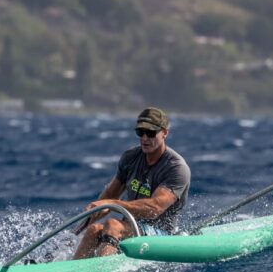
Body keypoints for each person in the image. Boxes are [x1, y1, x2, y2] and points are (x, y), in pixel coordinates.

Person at [73, 107, 190, 259]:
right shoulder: (130, 157)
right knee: (93, 230)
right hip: (128, 229)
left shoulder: (176, 167)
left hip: (161, 237)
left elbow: (155, 208)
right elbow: (109, 195)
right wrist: (80, 228)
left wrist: (110, 203)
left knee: (112, 225)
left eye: (151, 133)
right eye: (140, 132)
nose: (145, 138)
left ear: (165, 133)